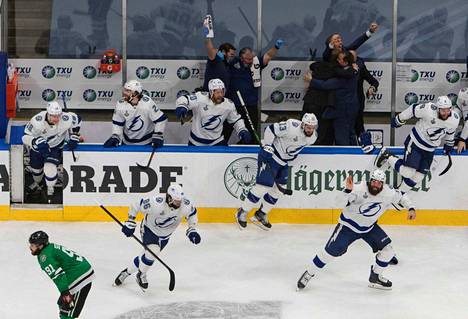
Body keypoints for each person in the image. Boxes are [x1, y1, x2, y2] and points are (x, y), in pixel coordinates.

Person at [297, 170, 416, 291]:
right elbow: (337, 203)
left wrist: (410, 207)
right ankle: (309, 273)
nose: (375, 185)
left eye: (379, 183)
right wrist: (347, 190)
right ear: (370, 181)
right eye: (374, 181)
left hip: (369, 227)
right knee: (329, 253)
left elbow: (401, 196)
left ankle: (375, 277)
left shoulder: (388, 191)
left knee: (388, 251)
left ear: (383, 184)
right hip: (348, 227)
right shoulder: (358, 188)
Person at [235, 113, 318, 230]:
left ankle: (261, 214)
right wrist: (268, 145)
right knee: (262, 187)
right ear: (303, 125)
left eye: (313, 127)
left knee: (279, 190)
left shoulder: (313, 137)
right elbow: (270, 129)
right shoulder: (291, 126)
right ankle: (242, 212)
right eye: (308, 127)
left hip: (283, 162)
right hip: (271, 156)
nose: (310, 129)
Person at [114, 183, 200, 290]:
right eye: (176, 201)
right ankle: (141, 275)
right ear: (169, 197)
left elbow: (192, 214)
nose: (179, 203)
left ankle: (126, 272)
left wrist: (192, 229)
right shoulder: (156, 203)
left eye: (180, 201)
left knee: (147, 256)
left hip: (165, 237)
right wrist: (130, 221)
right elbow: (136, 205)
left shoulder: (185, 204)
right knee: (153, 252)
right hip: (149, 230)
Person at [375, 96, 459, 193]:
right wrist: (399, 119)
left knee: (419, 176)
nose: (445, 113)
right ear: (438, 108)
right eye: (443, 110)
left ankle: (398, 195)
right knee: (408, 172)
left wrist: (449, 143)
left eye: (447, 110)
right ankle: (387, 155)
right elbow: (413, 109)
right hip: (415, 143)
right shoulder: (428, 109)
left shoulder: (454, 119)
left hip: (430, 150)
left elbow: (450, 132)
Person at [23, 101, 81, 201]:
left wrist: (75, 135)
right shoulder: (37, 120)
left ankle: (50, 187)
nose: (56, 119)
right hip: (38, 149)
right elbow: (24, 136)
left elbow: (78, 119)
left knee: (49, 168)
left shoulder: (66, 118)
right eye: (53, 116)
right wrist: (35, 141)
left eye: (58, 115)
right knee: (36, 172)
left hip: (55, 148)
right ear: (48, 113)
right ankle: (38, 183)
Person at [226, 41, 283, 143]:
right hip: (233, 105)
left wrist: (276, 47)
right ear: (241, 58)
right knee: (226, 131)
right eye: (247, 59)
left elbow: (268, 55)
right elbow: (220, 59)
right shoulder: (233, 63)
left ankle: (246, 148)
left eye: (251, 59)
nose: (250, 61)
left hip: (250, 105)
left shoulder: (255, 63)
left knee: (251, 134)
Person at [29, 231, 94, 318]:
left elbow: (58, 275)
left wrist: (65, 293)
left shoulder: (45, 257)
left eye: (33, 245)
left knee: (67, 313)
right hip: (78, 270)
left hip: (80, 276)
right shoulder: (50, 247)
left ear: (40, 246)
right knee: (62, 304)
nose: (30, 247)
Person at [175, 78, 251, 146]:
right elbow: (184, 99)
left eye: (222, 92)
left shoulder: (229, 105)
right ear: (211, 92)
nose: (220, 95)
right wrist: (182, 106)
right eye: (217, 92)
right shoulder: (200, 98)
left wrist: (242, 130)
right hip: (196, 142)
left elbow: (236, 120)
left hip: (217, 142)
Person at [307, 50, 359, 145]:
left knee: (342, 137)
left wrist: (311, 80)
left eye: (339, 59)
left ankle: (344, 157)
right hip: (352, 108)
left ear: (345, 62)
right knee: (350, 133)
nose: (337, 61)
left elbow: (325, 85)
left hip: (343, 111)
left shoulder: (345, 76)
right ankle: (355, 156)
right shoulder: (353, 70)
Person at [103, 80, 168, 147]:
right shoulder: (120, 104)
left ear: (136, 93)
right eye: (125, 90)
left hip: (147, 143)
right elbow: (117, 123)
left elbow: (161, 120)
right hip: (126, 142)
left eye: (128, 91)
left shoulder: (147, 103)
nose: (124, 93)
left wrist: (158, 135)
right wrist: (116, 136)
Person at [202, 14, 236, 94]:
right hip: (210, 97)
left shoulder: (228, 64)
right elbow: (209, 44)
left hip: (222, 98)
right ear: (224, 52)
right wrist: (207, 30)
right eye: (231, 54)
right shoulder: (216, 59)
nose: (232, 57)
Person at [349, 50, 379, 137]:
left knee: (359, 127)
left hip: (357, 102)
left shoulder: (361, 67)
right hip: (343, 104)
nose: (353, 59)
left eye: (354, 57)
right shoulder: (340, 67)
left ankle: (364, 147)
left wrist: (372, 88)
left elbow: (374, 81)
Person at [455, 87, 468, 154]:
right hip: (465, 133)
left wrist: (462, 139)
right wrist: (451, 118)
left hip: (465, 135)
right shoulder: (463, 92)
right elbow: (459, 109)